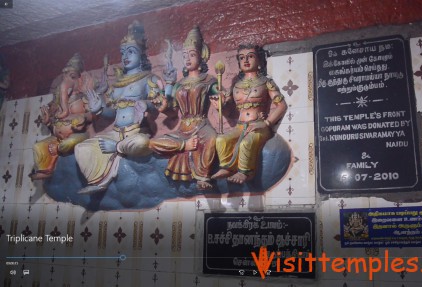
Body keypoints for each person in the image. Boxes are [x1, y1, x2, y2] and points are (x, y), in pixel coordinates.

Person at [75, 20, 166, 194]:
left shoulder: (148, 78)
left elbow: (157, 105)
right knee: (81, 147)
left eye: (131, 51)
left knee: (142, 143)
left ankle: (117, 149)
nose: (126, 56)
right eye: (123, 52)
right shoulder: (117, 85)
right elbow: (111, 113)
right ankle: (98, 181)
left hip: (135, 133)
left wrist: (144, 104)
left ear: (141, 55)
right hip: (115, 132)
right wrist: (99, 109)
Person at [149, 26, 218, 190]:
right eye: (185, 55)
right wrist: (164, 107)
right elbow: (173, 111)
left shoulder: (210, 80)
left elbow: (222, 101)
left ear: (202, 56)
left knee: (213, 139)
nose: (187, 59)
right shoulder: (178, 84)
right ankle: (184, 146)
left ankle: (203, 176)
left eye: (192, 55)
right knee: (152, 143)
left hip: (201, 125)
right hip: (183, 128)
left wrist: (224, 100)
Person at [211, 44, 287, 184]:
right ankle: (227, 167)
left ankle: (245, 172)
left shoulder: (266, 82)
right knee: (221, 140)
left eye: (250, 56)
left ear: (258, 60)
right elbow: (229, 112)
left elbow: (281, 106)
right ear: (239, 63)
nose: (246, 60)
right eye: (242, 58)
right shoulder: (236, 85)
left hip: (258, 126)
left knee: (246, 143)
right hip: (240, 126)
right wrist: (220, 106)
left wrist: (266, 123)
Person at [30, 53, 93, 180]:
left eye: (72, 77)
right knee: (38, 146)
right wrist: (48, 122)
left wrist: (83, 117)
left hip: (79, 135)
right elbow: (57, 124)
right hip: (58, 137)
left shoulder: (84, 98)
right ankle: (46, 170)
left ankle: (58, 150)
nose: (66, 80)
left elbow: (92, 115)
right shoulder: (60, 102)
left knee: (67, 143)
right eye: (65, 76)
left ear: (79, 80)